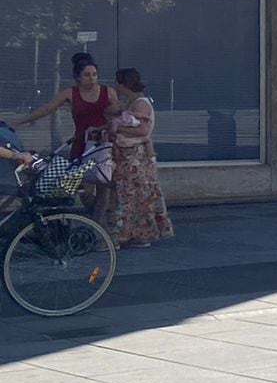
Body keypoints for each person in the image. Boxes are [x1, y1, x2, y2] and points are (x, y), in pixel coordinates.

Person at [13, 52, 116, 217]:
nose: (92, 78)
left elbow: (118, 114)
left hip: (103, 143)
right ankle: (94, 216)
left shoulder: (108, 92)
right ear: (78, 77)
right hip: (81, 142)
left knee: (104, 185)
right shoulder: (71, 93)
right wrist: (20, 121)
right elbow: (47, 108)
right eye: (87, 75)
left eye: (95, 75)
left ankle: (101, 224)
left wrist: (109, 127)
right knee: (83, 188)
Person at [107, 68, 174, 248]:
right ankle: (137, 234)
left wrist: (116, 128)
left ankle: (127, 235)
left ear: (123, 84)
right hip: (132, 157)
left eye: (117, 83)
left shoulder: (140, 104)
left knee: (131, 196)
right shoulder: (133, 103)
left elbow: (142, 130)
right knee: (135, 197)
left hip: (135, 158)